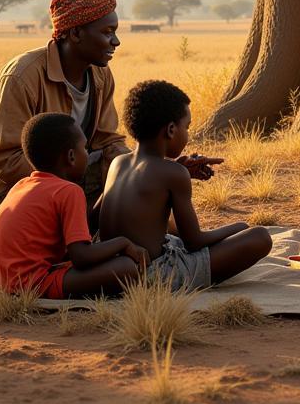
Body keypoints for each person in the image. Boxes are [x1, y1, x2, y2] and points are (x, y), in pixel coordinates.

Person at [0, 0, 219, 213]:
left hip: (76, 178)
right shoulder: (21, 78)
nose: (116, 41)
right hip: (9, 192)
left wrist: (159, 169)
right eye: (107, 32)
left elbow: (108, 142)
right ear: (76, 33)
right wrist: (72, 182)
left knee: (146, 209)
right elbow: (5, 162)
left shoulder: (100, 74)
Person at [100, 80, 272, 290]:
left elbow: (97, 216)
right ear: (171, 129)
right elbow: (194, 242)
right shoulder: (173, 173)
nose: (187, 135)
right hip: (154, 274)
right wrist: (239, 227)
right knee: (259, 236)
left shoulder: (118, 163)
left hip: (114, 265)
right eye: (187, 127)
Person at [0, 113, 147, 298]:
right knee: (125, 268)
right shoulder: (69, 191)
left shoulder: (22, 185)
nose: (87, 154)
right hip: (24, 287)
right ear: (71, 156)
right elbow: (81, 256)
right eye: (84, 149)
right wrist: (123, 243)